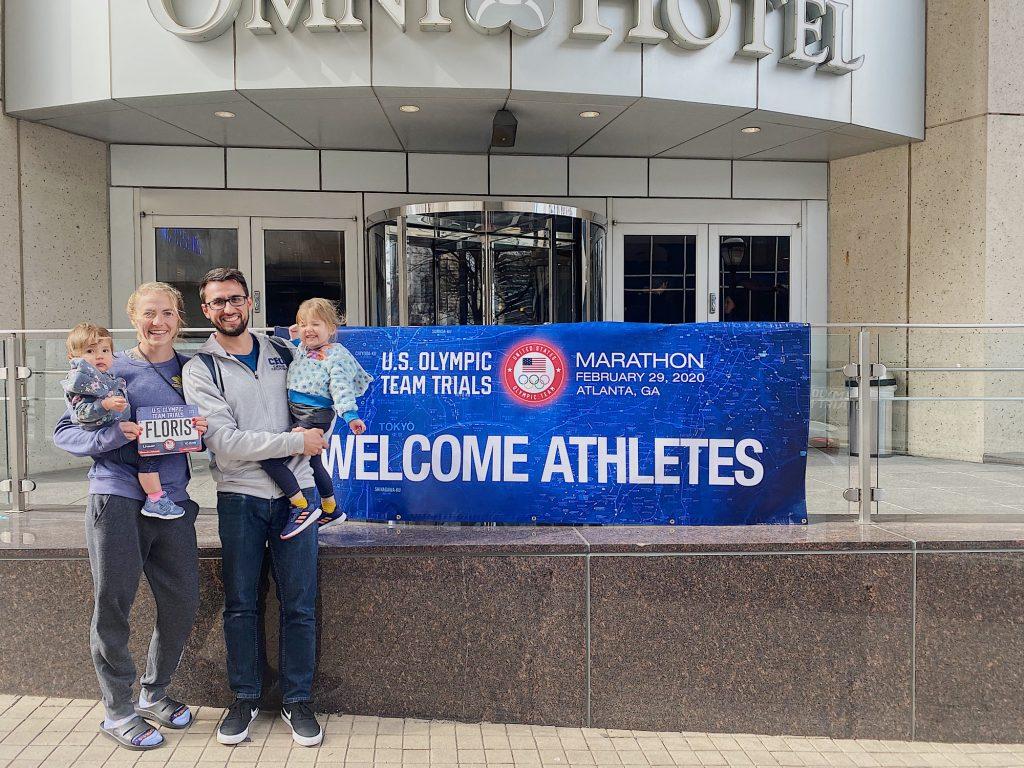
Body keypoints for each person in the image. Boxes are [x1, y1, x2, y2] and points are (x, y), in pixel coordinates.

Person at [53, 283, 208, 752]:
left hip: (173, 502)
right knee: (113, 607)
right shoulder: (105, 366)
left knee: (183, 600)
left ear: (179, 318)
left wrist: (199, 432)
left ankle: (153, 692)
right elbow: (66, 432)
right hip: (117, 499)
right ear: (132, 317)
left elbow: (198, 434)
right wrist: (112, 435)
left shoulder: (192, 371)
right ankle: (118, 711)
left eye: (165, 313)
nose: (156, 322)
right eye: (147, 313)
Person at [182, 268, 327, 748]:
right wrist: (293, 440)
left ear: (250, 302)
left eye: (235, 299)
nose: (228, 308)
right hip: (240, 497)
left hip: (297, 497)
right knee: (241, 605)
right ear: (206, 310)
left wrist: (318, 430)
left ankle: (298, 700)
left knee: (300, 606)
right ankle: (244, 697)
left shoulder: (285, 351)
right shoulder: (201, 368)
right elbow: (223, 441)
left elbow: (318, 402)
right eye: (218, 301)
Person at [260, 297, 371, 540]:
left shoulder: (335, 355)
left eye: (315, 324)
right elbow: (300, 352)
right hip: (302, 413)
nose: (308, 329)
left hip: (313, 416)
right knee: (314, 462)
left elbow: (341, 387)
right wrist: (295, 335)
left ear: (331, 329)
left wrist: (350, 416)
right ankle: (331, 509)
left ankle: (300, 505)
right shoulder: (303, 348)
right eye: (303, 324)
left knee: (269, 459)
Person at [62, 322, 186, 519]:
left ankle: (156, 498)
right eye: (90, 351)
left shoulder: (104, 374)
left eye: (105, 350)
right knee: (149, 455)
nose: (100, 355)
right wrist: (106, 409)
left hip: (176, 489)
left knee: (149, 453)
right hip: (116, 480)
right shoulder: (84, 381)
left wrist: (195, 430)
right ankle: (155, 498)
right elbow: (76, 419)